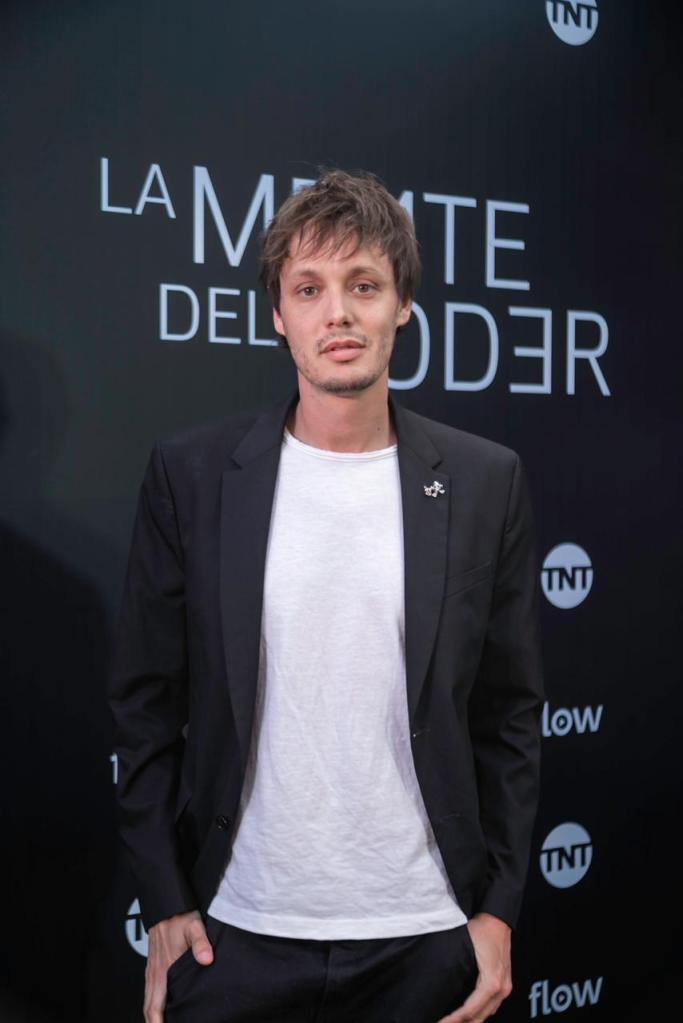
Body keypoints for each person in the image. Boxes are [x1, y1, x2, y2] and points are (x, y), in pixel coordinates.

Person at [110, 169, 544, 1023]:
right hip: (234, 930)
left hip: (426, 934)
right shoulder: (192, 474)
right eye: (308, 288)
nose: (337, 313)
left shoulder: (484, 480)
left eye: (363, 285)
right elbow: (144, 705)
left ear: (403, 304)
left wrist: (496, 910)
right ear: (278, 314)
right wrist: (163, 899)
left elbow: (509, 714)